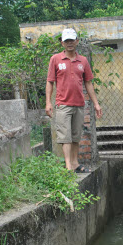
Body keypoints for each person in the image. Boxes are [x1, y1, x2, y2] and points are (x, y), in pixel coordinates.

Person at [45, 28, 103, 173]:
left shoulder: (82, 61)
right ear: (62, 43)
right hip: (63, 104)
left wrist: (96, 104)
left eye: (72, 40)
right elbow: (50, 81)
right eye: (66, 41)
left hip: (79, 104)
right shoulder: (56, 59)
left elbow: (88, 83)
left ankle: (75, 163)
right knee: (65, 136)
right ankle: (68, 166)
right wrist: (48, 102)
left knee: (76, 136)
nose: (69, 43)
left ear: (77, 41)